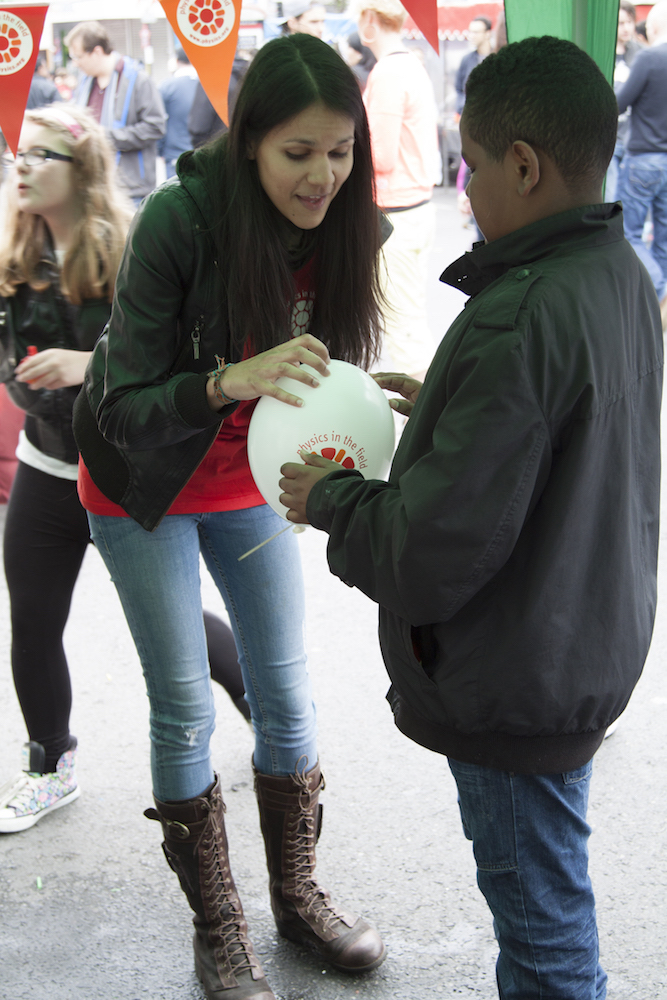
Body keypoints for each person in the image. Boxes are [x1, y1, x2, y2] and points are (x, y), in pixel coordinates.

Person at [279, 35, 662, 999]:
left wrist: (327, 498)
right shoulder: (616, 273)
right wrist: (442, 404)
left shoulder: (519, 314)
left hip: (512, 676)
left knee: (543, 940)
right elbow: (553, 440)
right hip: (573, 644)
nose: (465, 185)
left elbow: (428, 552)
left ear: (523, 165)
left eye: (472, 164)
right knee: (546, 904)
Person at [72, 34, 387, 1000]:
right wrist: (223, 383)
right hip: (144, 484)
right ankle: (220, 931)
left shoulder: (344, 225)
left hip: (250, 486)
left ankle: (296, 898)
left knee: (286, 693)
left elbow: (320, 370)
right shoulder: (180, 220)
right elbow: (122, 406)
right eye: (298, 153)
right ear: (250, 141)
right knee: (186, 705)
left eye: (338, 151)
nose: (322, 175)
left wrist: (368, 406)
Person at [0, 106, 133, 832]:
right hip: (45, 468)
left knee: (165, 624)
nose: (20, 165)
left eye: (39, 155)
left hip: (118, 474)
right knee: (34, 621)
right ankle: (51, 767)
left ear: (79, 172)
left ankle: (265, 712)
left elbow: (165, 361)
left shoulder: (126, 250)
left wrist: (86, 366)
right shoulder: (15, 249)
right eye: (17, 152)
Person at [357, 0, 439, 378]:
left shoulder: (389, 72)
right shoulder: (409, 65)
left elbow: (381, 156)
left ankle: (426, 417)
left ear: (368, 19)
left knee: (402, 326)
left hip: (398, 216)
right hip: (417, 208)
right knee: (411, 318)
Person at [66, 20, 166, 207]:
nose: (76, 63)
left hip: (130, 189)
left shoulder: (137, 79)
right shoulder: (85, 83)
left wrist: (106, 136)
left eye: (78, 56)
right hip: (93, 184)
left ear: (96, 51)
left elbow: (155, 127)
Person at [616, 0, 667, 326]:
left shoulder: (649, 58)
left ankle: (658, 292)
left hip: (643, 159)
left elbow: (619, 104)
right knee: (662, 238)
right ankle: (660, 307)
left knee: (630, 234)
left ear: (653, 26)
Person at [606, 0, 641, 200]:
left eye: (629, 22)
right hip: (610, 136)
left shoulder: (640, 54)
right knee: (610, 195)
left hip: (632, 138)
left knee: (630, 200)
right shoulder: (605, 51)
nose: (626, 28)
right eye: (620, 23)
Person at [159, 48, 198, 178]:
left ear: (176, 61)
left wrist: (159, 151)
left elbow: (159, 121)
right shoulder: (205, 86)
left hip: (175, 155)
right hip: (202, 153)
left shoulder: (167, 86)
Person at [454, 16, 492, 114]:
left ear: (487, 34)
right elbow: (459, 88)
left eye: (476, 32)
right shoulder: (467, 60)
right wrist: (462, 108)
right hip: (471, 117)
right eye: (470, 32)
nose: (472, 36)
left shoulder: (498, 58)